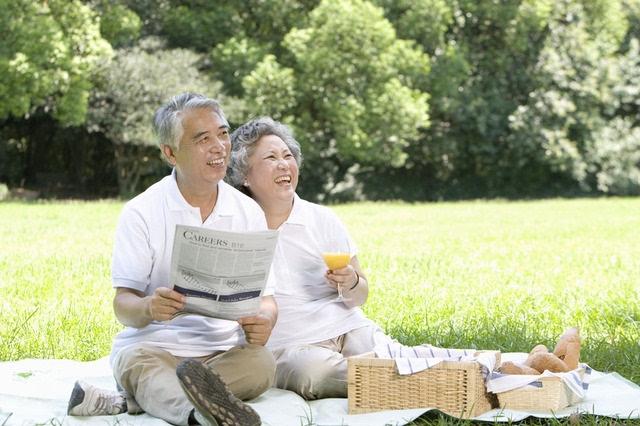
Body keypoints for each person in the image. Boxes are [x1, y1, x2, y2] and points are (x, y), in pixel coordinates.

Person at [67, 94, 277, 426]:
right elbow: (123, 303)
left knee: (262, 364)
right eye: (203, 139)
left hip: (219, 353)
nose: (219, 146)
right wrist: (149, 307)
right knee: (136, 362)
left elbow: (266, 300)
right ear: (170, 152)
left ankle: (137, 401)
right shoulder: (141, 212)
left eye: (223, 134)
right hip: (155, 348)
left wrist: (265, 321)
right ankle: (196, 415)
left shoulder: (247, 210)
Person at [227, 117, 392, 400]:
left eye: (288, 155)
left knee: (385, 350)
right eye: (270, 157)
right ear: (245, 175)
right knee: (309, 372)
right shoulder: (234, 229)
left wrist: (351, 282)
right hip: (291, 346)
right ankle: (411, 382)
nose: (283, 164)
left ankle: (440, 372)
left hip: (347, 328)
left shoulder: (323, 218)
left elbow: (361, 294)